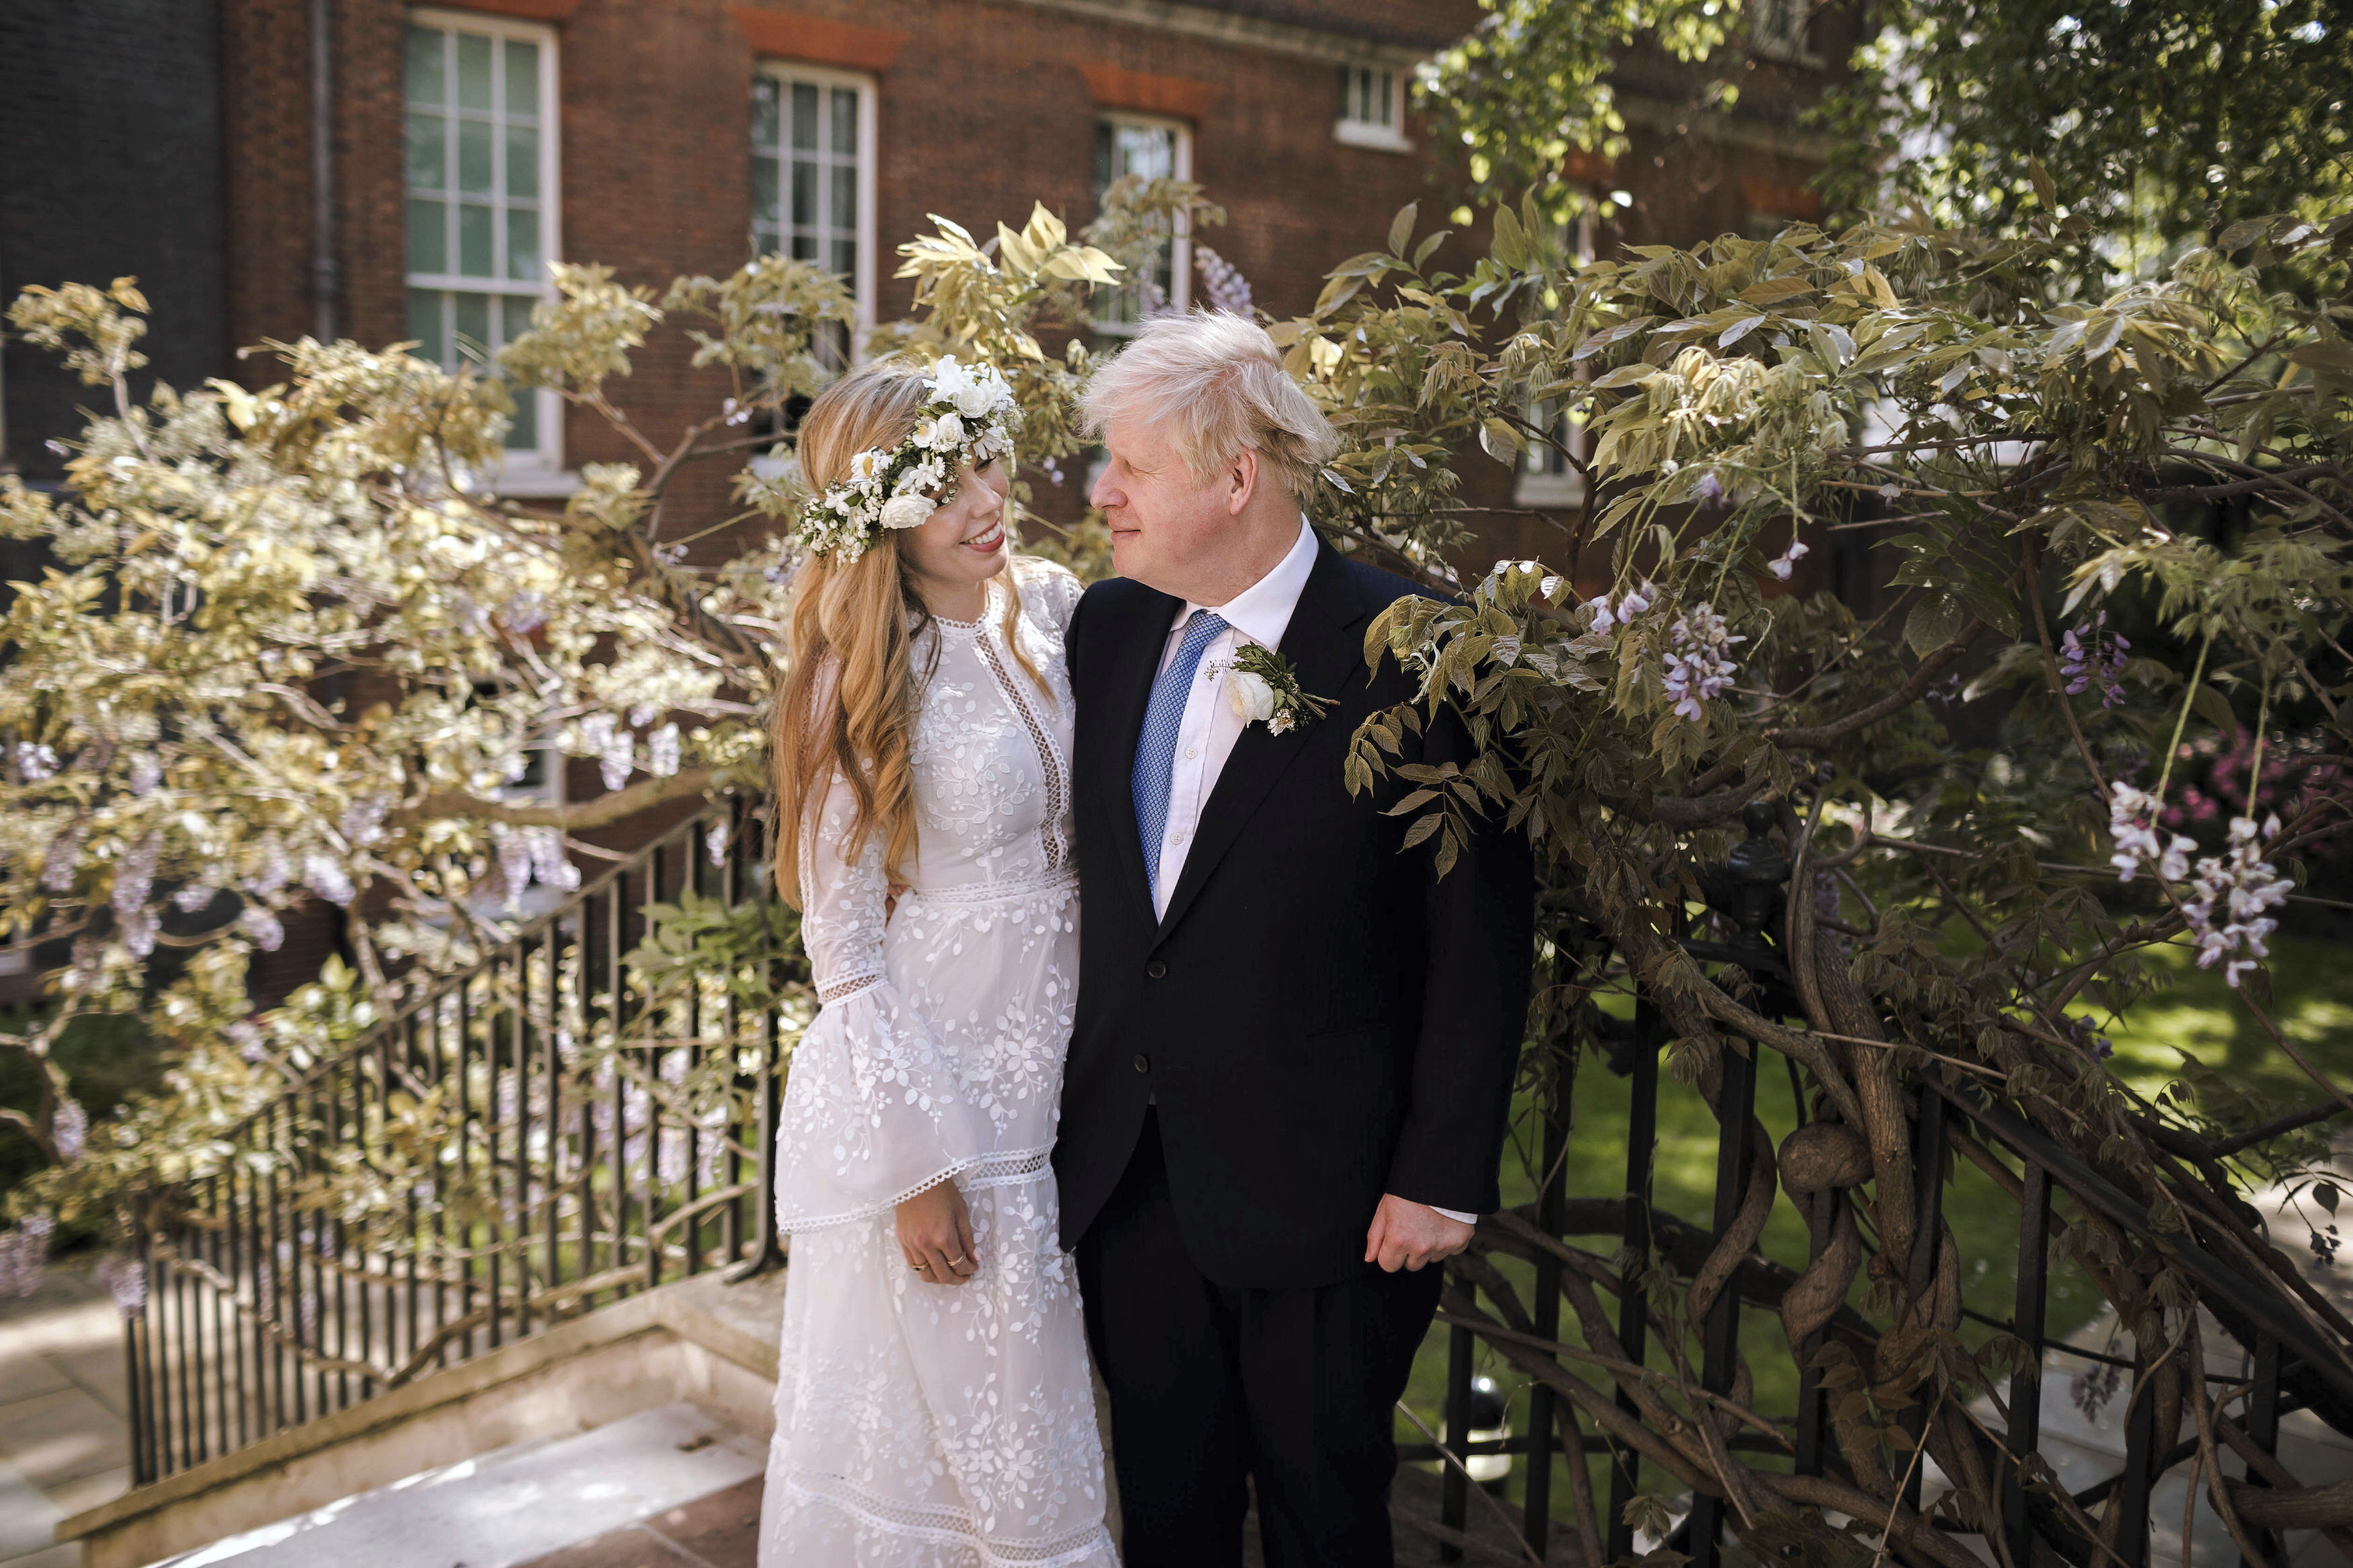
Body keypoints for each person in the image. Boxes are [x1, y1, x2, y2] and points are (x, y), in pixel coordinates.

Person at [1055, 312, 1535, 1568]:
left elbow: (1479, 937)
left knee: (1327, 1520)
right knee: (1167, 1516)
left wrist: (1441, 1174)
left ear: (1235, 478)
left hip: (1335, 1204)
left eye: (1130, 468)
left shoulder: (1424, 655)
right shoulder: (1105, 632)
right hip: (1133, 1179)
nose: (1102, 496)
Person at [759, 356, 1116, 1567]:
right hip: (951, 1092)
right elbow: (846, 946)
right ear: (876, 513)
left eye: (987, 457)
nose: (984, 497)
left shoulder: (1059, 606)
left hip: (1083, 1055)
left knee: (1061, 1398)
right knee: (971, 1424)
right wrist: (917, 1165)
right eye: (941, 481)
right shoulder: (859, 676)